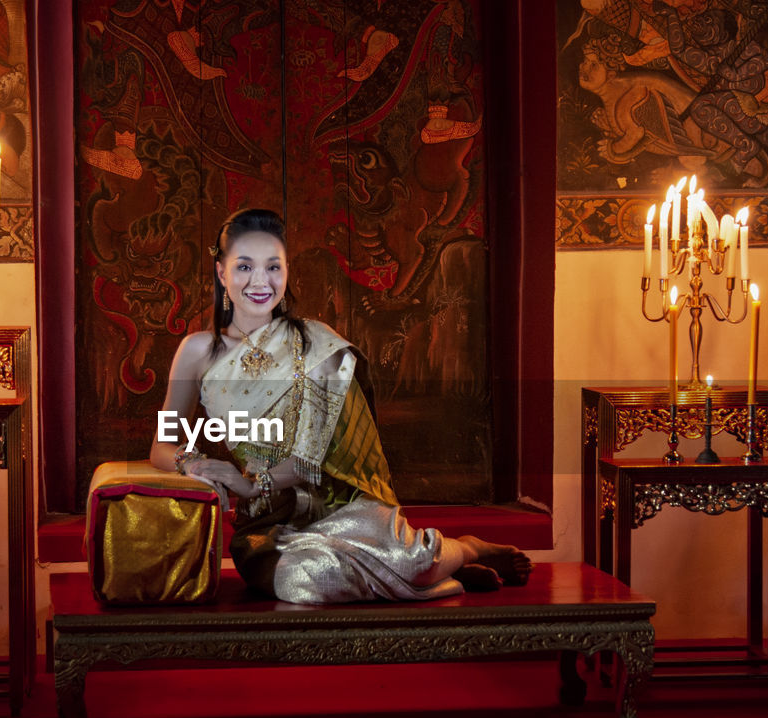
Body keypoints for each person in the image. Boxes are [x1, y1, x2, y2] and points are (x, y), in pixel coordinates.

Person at [149, 208, 530, 605]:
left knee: (413, 561)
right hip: (270, 522)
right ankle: (424, 569)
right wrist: (192, 464)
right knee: (304, 582)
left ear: (287, 271)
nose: (260, 281)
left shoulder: (319, 347)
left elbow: (307, 460)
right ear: (221, 272)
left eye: (273, 267)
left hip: (343, 506)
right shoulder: (197, 351)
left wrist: (250, 484)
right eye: (244, 266)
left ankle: (464, 550)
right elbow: (162, 446)